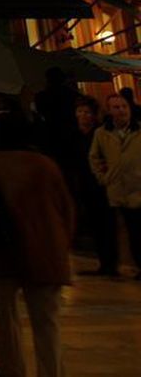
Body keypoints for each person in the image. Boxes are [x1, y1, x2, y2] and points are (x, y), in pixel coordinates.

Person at [0, 111, 76, 377]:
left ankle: (10, 369)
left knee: (5, 316)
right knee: (47, 323)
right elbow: (66, 209)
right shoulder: (45, 163)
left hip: (0, 251)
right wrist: (60, 243)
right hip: (46, 251)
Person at [88, 92, 141, 277]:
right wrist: (104, 178)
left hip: (137, 187)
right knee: (123, 229)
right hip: (117, 188)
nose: (121, 111)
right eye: (116, 107)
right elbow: (94, 158)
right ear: (109, 111)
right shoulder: (102, 134)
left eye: (124, 107)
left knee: (137, 229)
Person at [69, 97, 117, 276]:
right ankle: (104, 261)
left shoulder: (101, 134)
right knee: (95, 224)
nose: (83, 116)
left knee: (106, 224)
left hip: (100, 184)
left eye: (87, 112)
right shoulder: (74, 134)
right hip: (83, 184)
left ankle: (109, 262)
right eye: (80, 112)